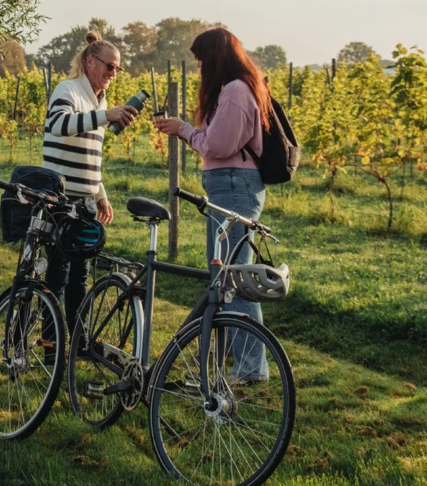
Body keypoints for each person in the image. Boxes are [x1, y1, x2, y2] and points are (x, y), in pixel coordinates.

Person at [153, 26, 270, 381]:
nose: (200, 66)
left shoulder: (235, 91)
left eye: (202, 59)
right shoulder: (237, 89)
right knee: (226, 278)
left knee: (231, 278)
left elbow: (217, 146)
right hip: (231, 186)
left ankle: (250, 368)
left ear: (216, 58)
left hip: (234, 187)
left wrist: (185, 130)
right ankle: (228, 365)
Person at [41, 31, 139, 332]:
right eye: (109, 66)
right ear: (89, 61)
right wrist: (104, 115)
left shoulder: (99, 99)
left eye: (117, 68)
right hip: (60, 198)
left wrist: (100, 195)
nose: (113, 73)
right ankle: (51, 345)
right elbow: (57, 125)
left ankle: (78, 342)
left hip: (83, 200)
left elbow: (88, 155)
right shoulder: (68, 89)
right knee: (58, 274)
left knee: (80, 276)